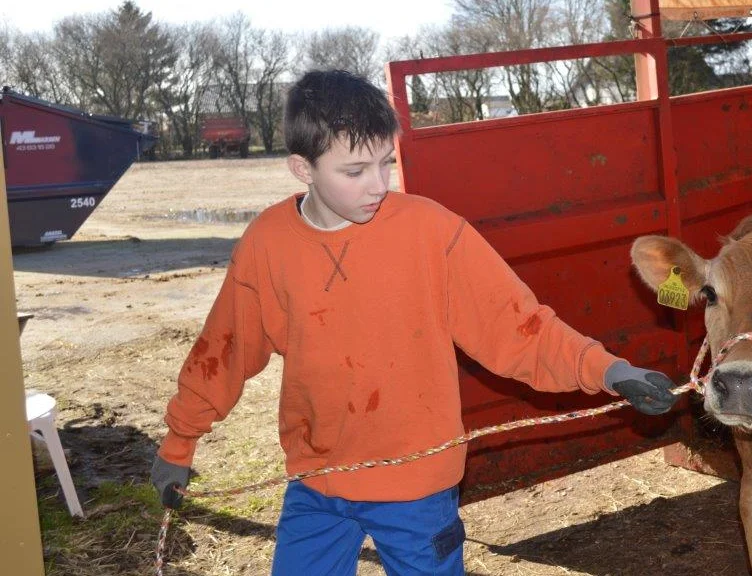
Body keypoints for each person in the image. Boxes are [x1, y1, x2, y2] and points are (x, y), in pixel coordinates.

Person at [151, 69, 678, 576]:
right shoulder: (267, 245)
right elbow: (224, 347)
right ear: (302, 168)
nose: (378, 185)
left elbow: (520, 327)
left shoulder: (431, 231)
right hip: (317, 482)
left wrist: (610, 371)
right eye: (355, 171)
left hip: (418, 488)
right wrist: (179, 443)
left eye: (386, 163)